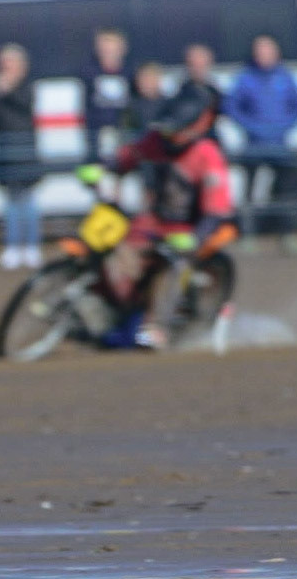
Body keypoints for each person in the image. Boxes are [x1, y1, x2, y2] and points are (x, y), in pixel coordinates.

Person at [107, 84, 237, 349]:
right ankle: (118, 312)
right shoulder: (155, 141)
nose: (169, 136)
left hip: (192, 229)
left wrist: (195, 238)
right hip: (155, 222)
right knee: (116, 254)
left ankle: (158, 328)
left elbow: (217, 209)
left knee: (174, 267)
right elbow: (128, 157)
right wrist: (104, 168)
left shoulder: (207, 155)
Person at [225, 35, 297, 249]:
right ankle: (248, 235)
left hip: (280, 145)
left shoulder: (285, 77)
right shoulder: (245, 78)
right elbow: (232, 107)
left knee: (285, 191)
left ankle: (286, 235)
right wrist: (253, 128)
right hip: (254, 145)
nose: (263, 55)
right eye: (260, 51)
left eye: (268, 50)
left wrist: (283, 127)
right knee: (250, 192)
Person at [0, 43, 41, 270]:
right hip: (5, 152)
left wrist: (7, 90)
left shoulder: (27, 87)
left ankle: (32, 247)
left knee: (29, 203)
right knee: (11, 203)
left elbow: (25, 106)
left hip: (26, 151)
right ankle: (14, 246)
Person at [81, 28, 131, 159]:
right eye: (104, 49)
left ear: (122, 49)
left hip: (125, 132)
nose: (108, 53)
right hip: (95, 133)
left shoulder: (131, 73)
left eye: (112, 49)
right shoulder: (87, 73)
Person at [123, 62, 168, 139]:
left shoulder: (169, 104)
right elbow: (127, 132)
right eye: (142, 78)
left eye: (149, 78)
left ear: (158, 80)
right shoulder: (130, 106)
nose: (145, 83)